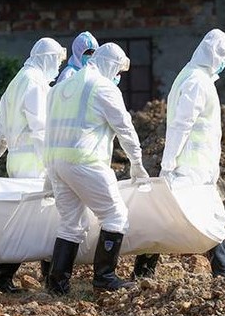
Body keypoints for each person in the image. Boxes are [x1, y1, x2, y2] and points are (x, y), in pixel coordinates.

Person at [44, 42, 149, 295]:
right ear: (111, 65)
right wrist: (137, 163)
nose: (118, 77)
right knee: (115, 216)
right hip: (85, 161)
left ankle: (57, 284)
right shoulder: (102, 87)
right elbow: (124, 127)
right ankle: (105, 277)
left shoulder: (62, 86)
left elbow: (49, 130)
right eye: (119, 71)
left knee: (70, 224)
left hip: (56, 162)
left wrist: (49, 174)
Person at [132, 28, 225, 280]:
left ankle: (145, 271)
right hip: (190, 167)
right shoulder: (197, 81)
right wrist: (169, 162)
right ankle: (222, 272)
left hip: (196, 168)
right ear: (213, 55)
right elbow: (181, 124)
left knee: (185, 217)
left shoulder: (194, 77)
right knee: (193, 218)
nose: (224, 62)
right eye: (223, 56)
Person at [0, 37, 67, 293]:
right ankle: (36, 278)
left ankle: (19, 276)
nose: (58, 67)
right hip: (35, 164)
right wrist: (51, 166)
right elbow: (40, 130)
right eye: (57, 60)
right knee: (42, 220)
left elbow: (0, 128)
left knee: (34, 221)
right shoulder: (35, 84)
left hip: (17, 162)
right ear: (47, 58)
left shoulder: (16, 83)